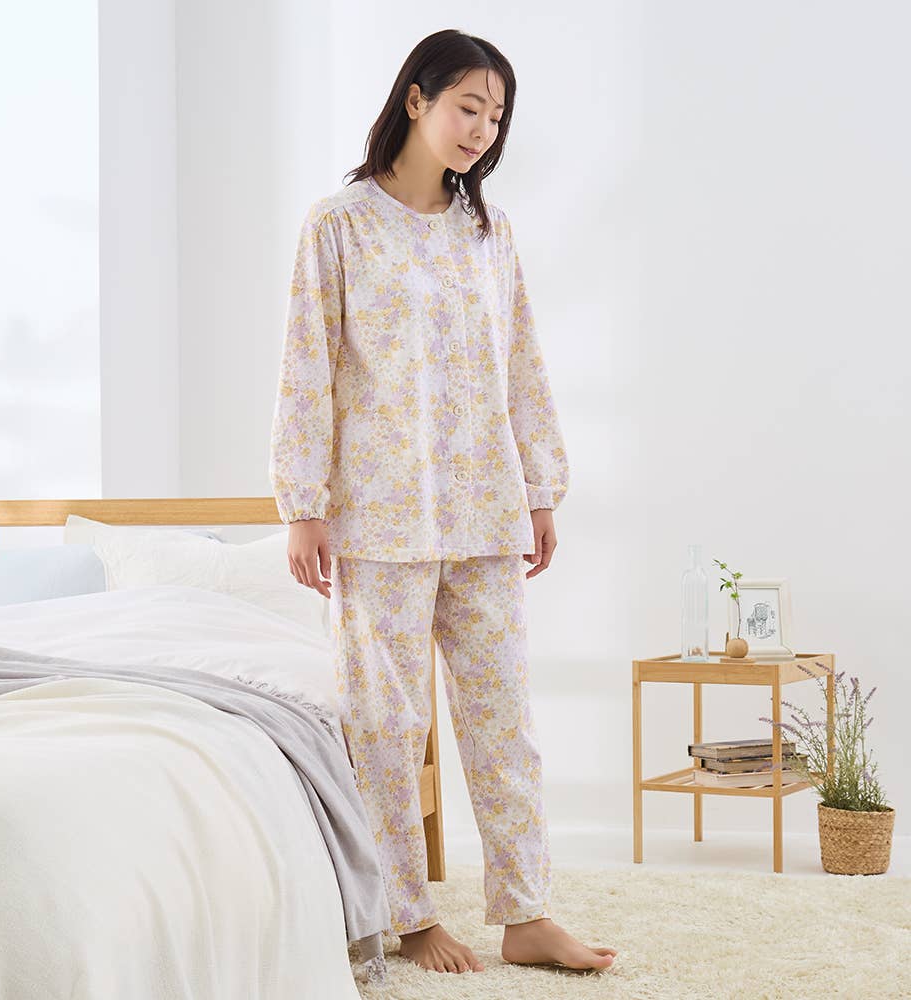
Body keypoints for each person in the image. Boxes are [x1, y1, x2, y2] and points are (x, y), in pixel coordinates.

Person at [269, 28, 618, 977]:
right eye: (469, 106)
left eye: (496, 116)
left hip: (486, 508)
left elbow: (522, 365)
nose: (482, 129)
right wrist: (303, 503)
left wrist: (540, 488)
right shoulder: (337, 226)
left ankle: (526, 910)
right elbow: (307, 368)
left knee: (504, 718)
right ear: (416, 100)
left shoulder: (488, 233)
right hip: (380, 516)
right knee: (385, 726)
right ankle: (406, 914)